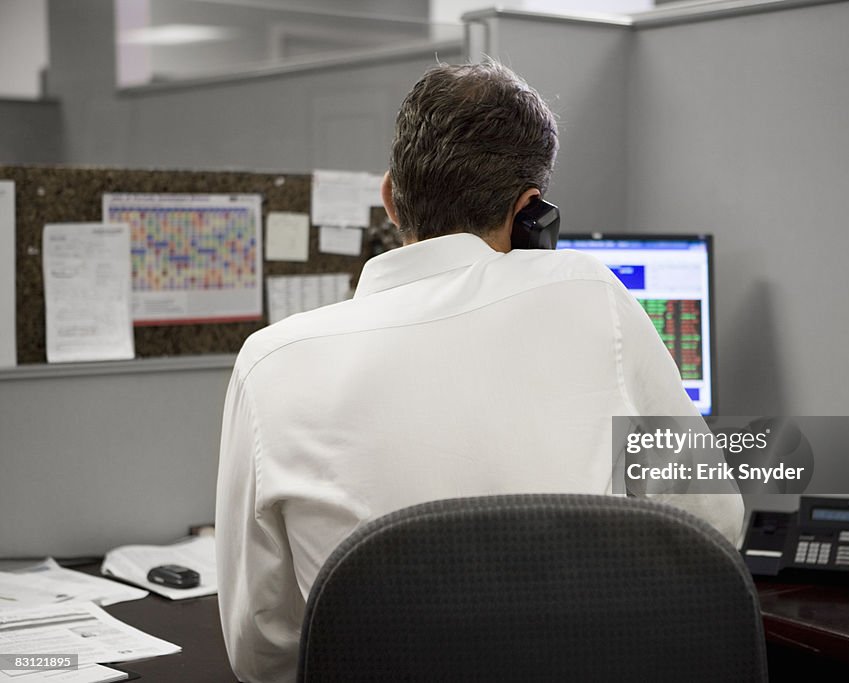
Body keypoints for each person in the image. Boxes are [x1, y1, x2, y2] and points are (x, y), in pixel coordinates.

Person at [215, 61, 743, 683]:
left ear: (389, 196)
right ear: (530, 209)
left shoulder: (271, 362)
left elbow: (260, 651)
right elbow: (714, 522)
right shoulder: (589, 293)